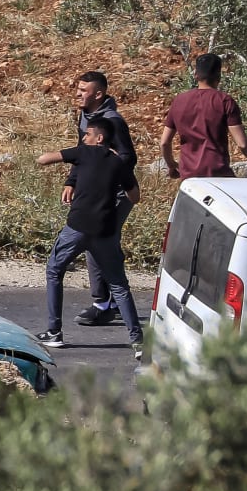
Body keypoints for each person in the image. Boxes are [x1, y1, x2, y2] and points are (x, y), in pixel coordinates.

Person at [34, 121, 143, 358]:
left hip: (77, 227)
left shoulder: (83, 152)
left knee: (54, 271)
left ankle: (54, 332)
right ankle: (138, 342)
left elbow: (43, 159)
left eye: (88, 135)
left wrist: (71, 169)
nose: (83, 138)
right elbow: (135, 197)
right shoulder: (118, 162)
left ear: (100, 138)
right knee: (119, 286)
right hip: (105, 230)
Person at [67, 71, 138, 329]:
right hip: (97, 192)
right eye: (78, 88)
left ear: (99, 94)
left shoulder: (112, 121)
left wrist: (105, 176)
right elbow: (82, 152)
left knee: (96, 242)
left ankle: (102, 305)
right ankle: (114, 302)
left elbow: (129, 157)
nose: (77, 94)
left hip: (117, 193)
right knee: (105, 245)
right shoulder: (87, 116)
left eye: (83, 90)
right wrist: (72, 181)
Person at [159, 53, 247, 180]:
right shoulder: (225, 101)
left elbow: (164, 143)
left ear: (196, 75)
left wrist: (171, 164)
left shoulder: (179, 101)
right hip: (218, 174)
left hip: (189, 176)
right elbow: (242, 144)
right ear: (219, 76)